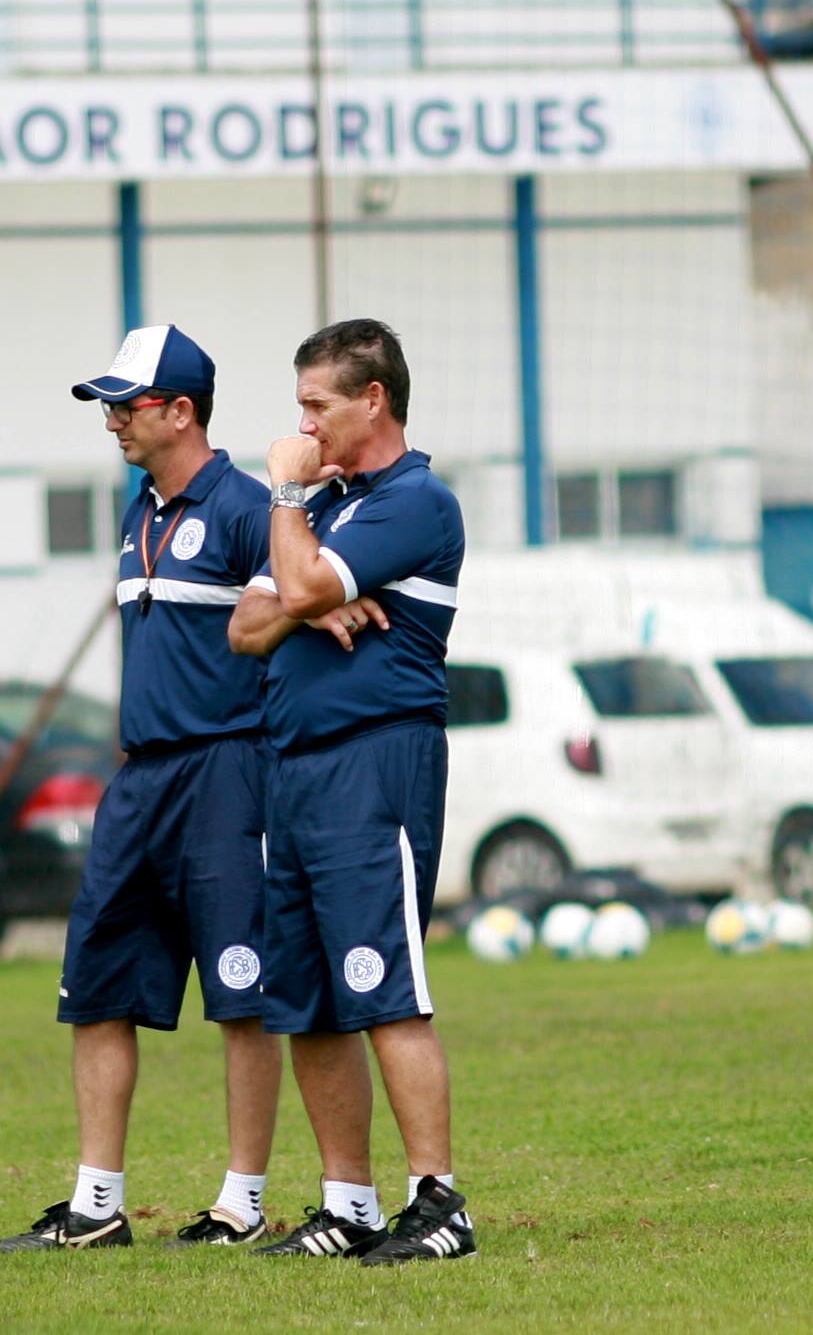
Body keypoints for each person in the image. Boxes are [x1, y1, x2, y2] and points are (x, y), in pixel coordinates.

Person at [0, 324, 284, 1254]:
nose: (112, 420)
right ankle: (96, 1205)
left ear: (181, 410)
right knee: (99, 988)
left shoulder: (245, 508)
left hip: (229, 775)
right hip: (138, 778)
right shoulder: (139, 512)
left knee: (241, 993)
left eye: (127, 403)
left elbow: (298, 618)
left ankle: (241, 1206)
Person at [225, 319, 475, 1265]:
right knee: (312, 998)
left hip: (376, 763)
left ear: (374, 400)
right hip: (294, 769)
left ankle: (439, 1201)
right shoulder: (326, 512)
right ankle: (347, 1204)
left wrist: (289, 522)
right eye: (299, 407)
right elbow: (247, 628)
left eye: (317, 405)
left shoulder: (415, 502)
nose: (303, 425)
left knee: (385, 989)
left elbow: (286, 587)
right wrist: (305, 599)